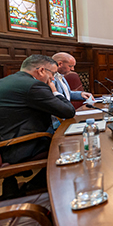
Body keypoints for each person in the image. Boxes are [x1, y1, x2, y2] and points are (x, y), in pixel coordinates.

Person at [0, 55, 76, 198]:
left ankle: (17, 184)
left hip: (5, 141)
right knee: (69, 144)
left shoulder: (8, 80)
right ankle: (43, 187)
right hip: (17, 146)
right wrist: (54, 90)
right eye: (52, 74)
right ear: (41, 71)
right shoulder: (34, 86)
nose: (53, 78)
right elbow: (68, 111)